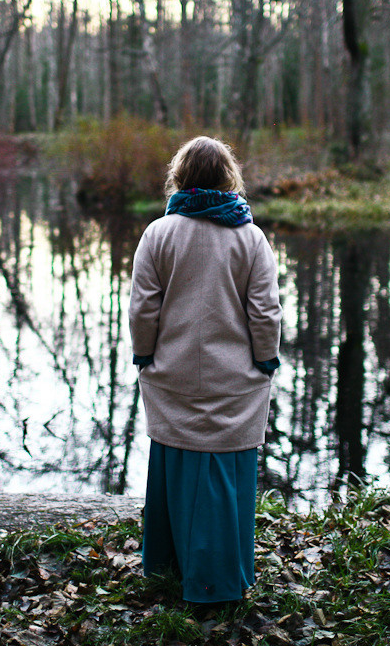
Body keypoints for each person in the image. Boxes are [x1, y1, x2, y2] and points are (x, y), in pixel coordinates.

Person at [128, 135, 282, 604]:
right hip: (233, 381)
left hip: (172, 376)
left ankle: (166, 566)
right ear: (227, 177)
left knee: (174, 464)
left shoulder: (159, 232)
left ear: (180, 176)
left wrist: (144, 355)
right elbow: (266, 312)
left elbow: (141, 310)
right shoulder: (249, 236)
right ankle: (221, 579)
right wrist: (265, 359)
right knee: (225, 476)